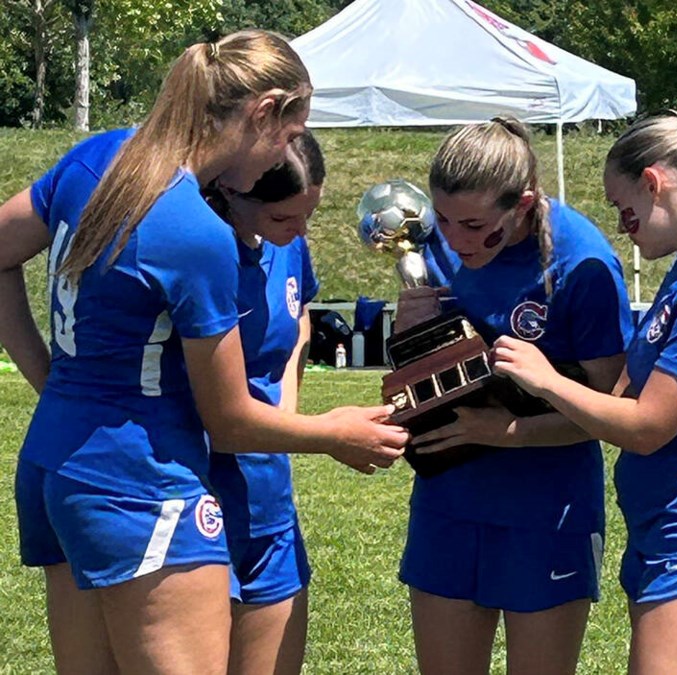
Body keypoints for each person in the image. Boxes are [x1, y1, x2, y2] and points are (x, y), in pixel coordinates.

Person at [0, 31, 407, 675]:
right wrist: (332, 432)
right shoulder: (194, 229)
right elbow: (230, 419)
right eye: (288, 132)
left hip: (56, 464)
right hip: (142, 485)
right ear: (263, 111)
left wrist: (55, 384)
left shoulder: (97, 157)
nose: (285, 153)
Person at [492, 111, 677, 675]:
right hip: (668, 529)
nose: (620, 223)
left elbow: (647, 427)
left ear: (654, 182)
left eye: (620, 205)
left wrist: (545, 378)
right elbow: (623, 400)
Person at [396, 116, 634, 675]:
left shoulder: (583, 265)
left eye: (475, 225)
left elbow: (615, 412)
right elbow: (423, 377)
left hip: (547, 509)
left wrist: (508, 433)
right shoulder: (435, 242)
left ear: (523, 204)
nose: (455, 240)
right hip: (448, 500)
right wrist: (407, 337)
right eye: (445, 219)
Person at [204, 132, 325, 675]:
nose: (300, 232)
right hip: (195, 499)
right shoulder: (200, 254)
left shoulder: (288, 244)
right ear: (234, 193)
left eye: (308, 215)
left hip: (268, 500)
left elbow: (300, 318)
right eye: (284, 219)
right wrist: (328, 435)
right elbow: (222, 416)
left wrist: (285, 419)